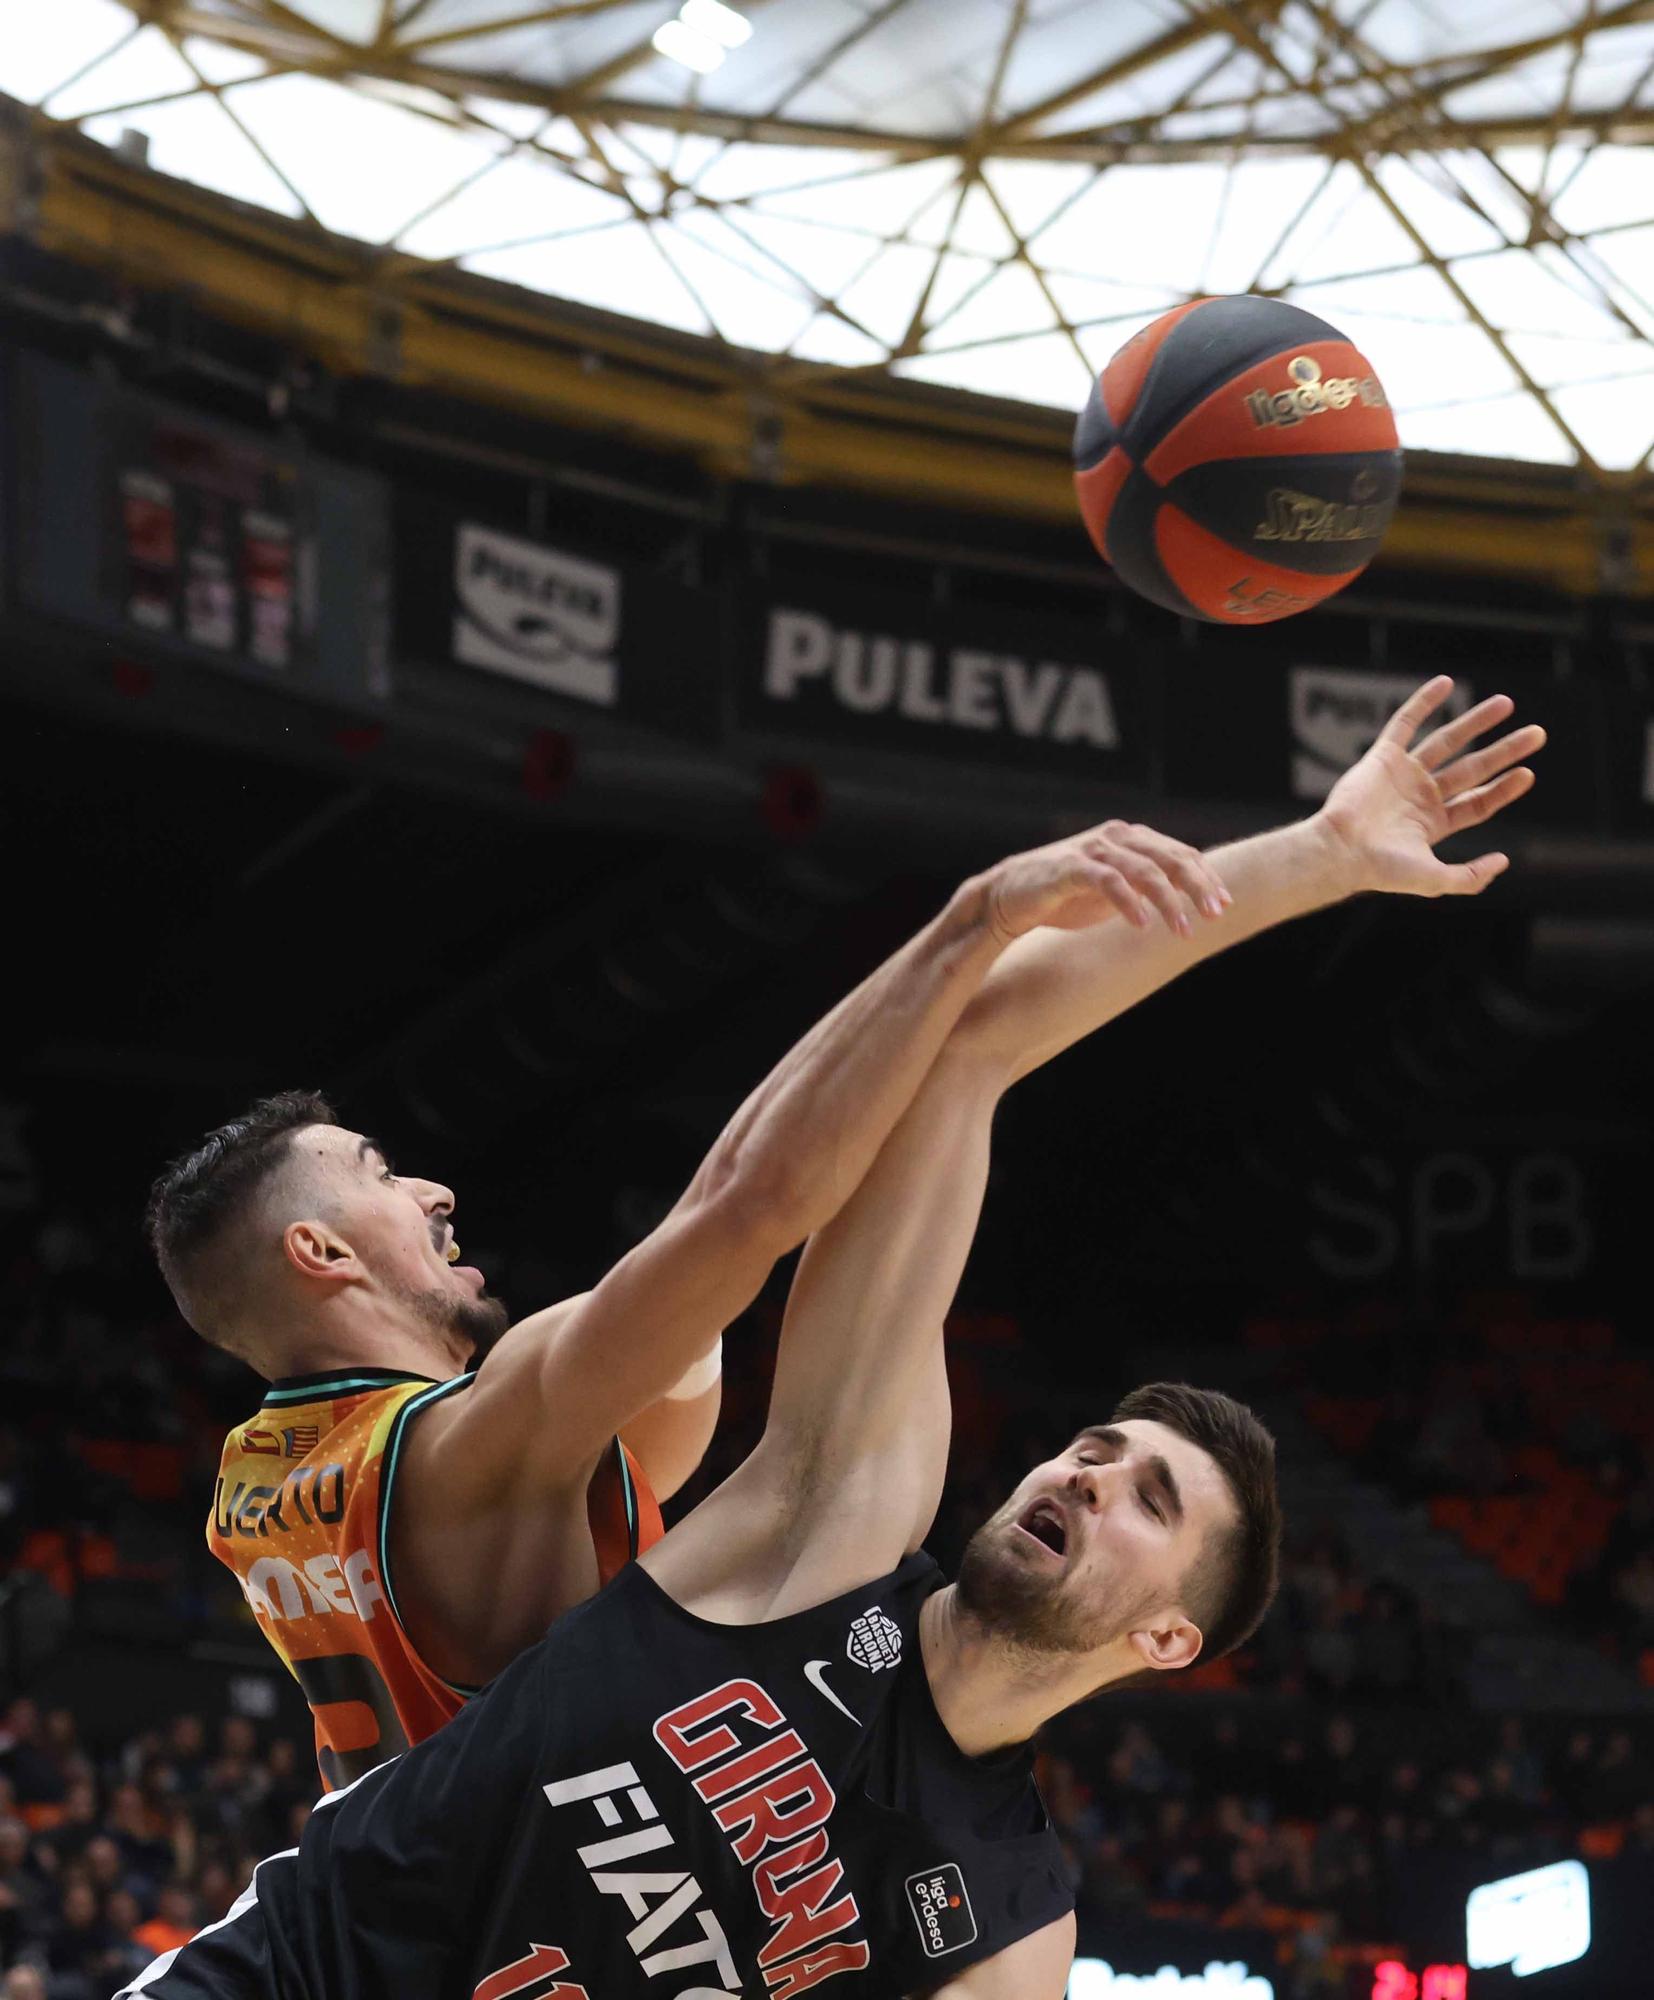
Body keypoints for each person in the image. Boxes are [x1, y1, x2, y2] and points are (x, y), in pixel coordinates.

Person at [119, 679, 1542, 1999]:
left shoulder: (1014, 1927)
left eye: (1145, 1497)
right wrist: (1304, 857)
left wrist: (1326, 853)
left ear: (1171, 1635)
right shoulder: (822, 1539)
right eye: (1095, 1448)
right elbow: (936, 1077)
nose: (1086, 1475)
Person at [146, 811, 1236, 1786]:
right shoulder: (457, 1454)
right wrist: (973, 918)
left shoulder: (262, 1477)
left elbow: (639, 1452)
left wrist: (677, 1330)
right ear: (321, 1250)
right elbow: (749, 1202)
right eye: (381, 1173)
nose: (433, 1189)